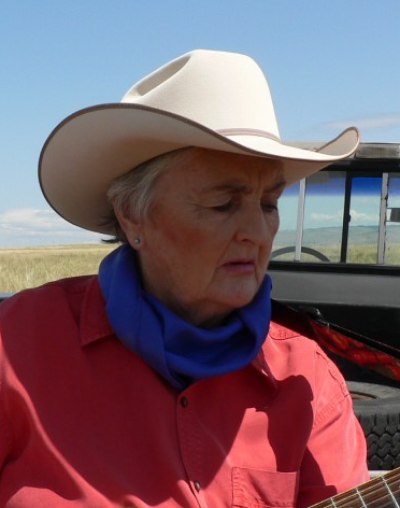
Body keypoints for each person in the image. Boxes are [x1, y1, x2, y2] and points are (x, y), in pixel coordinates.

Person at [0, 49, 368, 508]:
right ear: (132, 215)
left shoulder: (308, 382)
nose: (257, 233)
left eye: (269, 204)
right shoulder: (17, 345)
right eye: (222, 204)